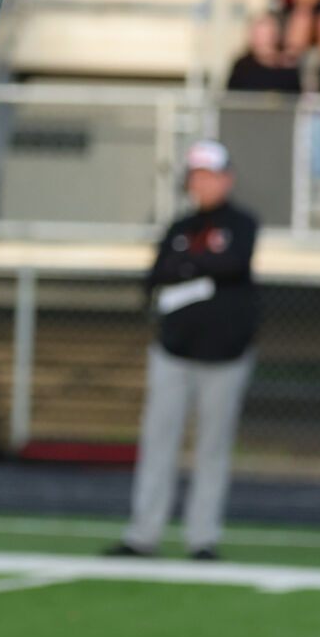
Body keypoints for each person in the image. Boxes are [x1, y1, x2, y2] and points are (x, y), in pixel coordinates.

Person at [111, 140, 259, 562]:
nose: (204, 184)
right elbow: (156, 275)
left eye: (210, 175)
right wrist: (198, 267)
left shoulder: (243, 223)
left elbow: (233, 264)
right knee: (158, 444)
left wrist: (190, 267)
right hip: (174, 352)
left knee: (212, 450)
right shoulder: (178, 227)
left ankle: (202, 538)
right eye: (197, 176)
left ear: (226, 178)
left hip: (225, 356)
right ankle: (144, 534)